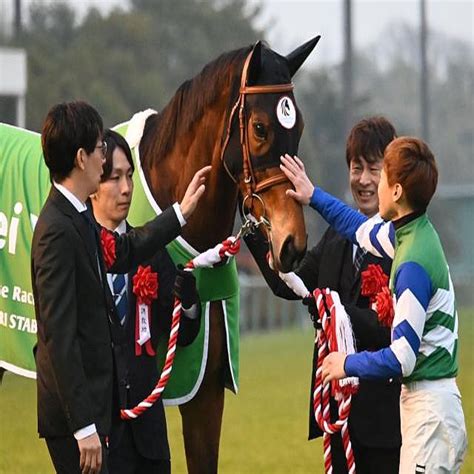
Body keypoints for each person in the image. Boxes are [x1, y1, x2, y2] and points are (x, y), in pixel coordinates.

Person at [31, 101, 210, 474]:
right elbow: (59, 339)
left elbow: (127, 249)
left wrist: (181, 212)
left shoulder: (77, 217)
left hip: (103, 418)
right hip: (76, 424)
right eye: (99, 149)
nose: (104, 157)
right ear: (82, 158)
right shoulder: (57, 232)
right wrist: (84, 427)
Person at [280, 137, 467, 473]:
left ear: (395, 192)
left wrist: (347, 364)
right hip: (427, 407)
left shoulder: (411, 264)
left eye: (381, 178)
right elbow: (356, 227)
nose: (373, 185)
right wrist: (312, 196)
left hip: (430, 412)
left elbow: (402, 358)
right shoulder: (409, 232)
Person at [245, 117, 401, 473]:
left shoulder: (402, 244)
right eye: (355, 167)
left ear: (392, 175)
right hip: (336, 417)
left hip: (387, 423)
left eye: (373, 169)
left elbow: (390, 331)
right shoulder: (336, 238)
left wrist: (335, 312)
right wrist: (256, 228)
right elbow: (291, 284)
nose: (362, 179)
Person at [91, 129, 201, 473]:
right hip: (99, 438)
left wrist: (189, 304)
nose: (125, 189)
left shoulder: (152, 254)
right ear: (92, 183)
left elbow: (181, 336)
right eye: (113, 178)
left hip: (148, 440)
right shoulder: (77, 253)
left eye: (129, 176)